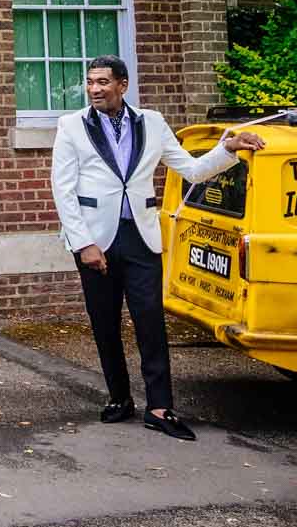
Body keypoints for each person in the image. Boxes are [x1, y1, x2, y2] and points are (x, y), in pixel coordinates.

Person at [50, 56, 265, 442]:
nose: (95, 89)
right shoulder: (71, 127)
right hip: (94, 239)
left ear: (123, 84)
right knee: (105, 324)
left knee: (150, 320)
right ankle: (118, 397)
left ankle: (160, 407)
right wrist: (83, 243)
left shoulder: (152, 122)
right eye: (90, 82)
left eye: (102, 81)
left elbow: (192, 170)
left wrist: (228, 149)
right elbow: (63, 191)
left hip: (142, 237)